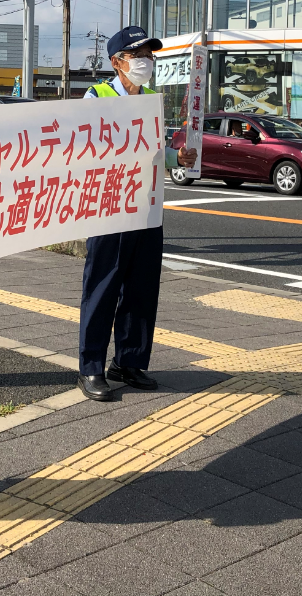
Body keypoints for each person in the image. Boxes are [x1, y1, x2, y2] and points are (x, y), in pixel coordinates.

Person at [77, 26, 196, 402]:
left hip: (146, 206)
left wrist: (179, 158)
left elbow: (156, 150)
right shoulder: (96, 95)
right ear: (117, 62)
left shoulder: (150, 100)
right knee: (102, 287)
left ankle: (128, 362)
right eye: (139, 55)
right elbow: (79, 147)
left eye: (150, 54)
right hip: (109, 206)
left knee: (142, 288)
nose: (147, 61)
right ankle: (91, 367)